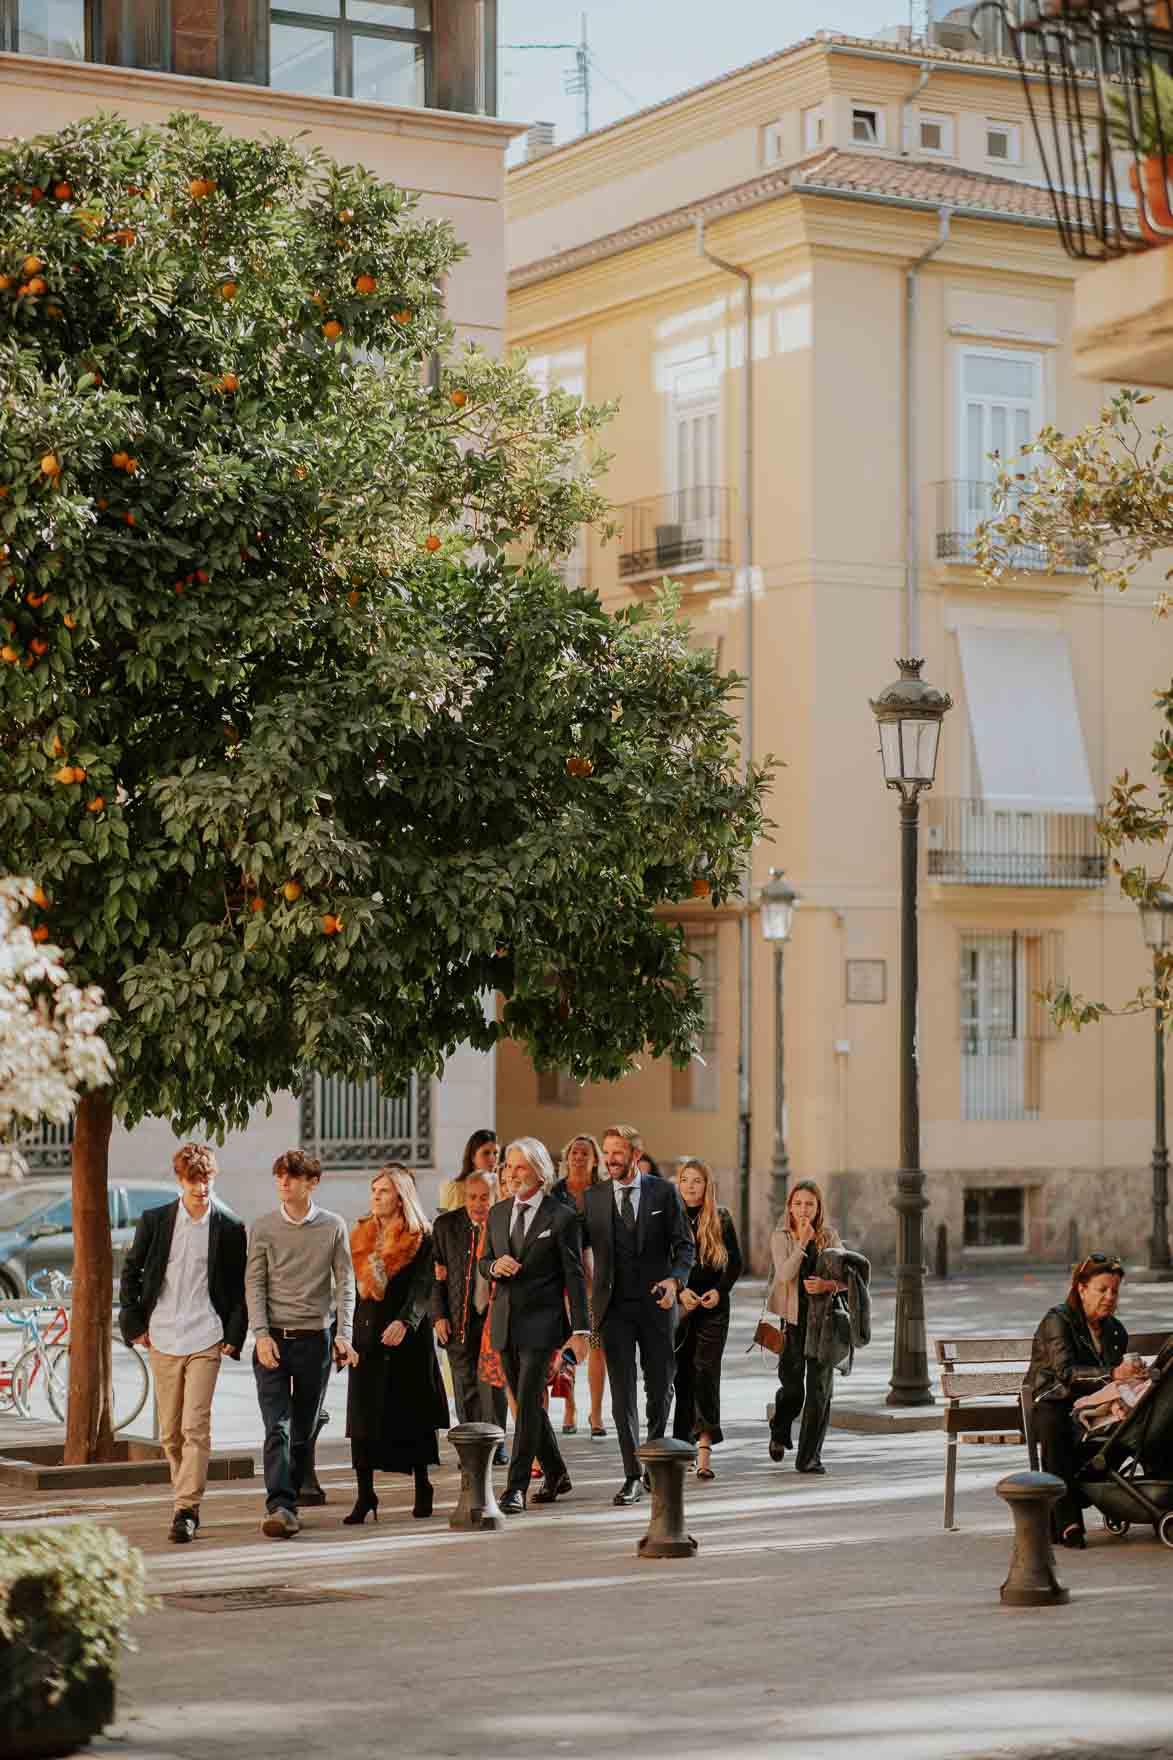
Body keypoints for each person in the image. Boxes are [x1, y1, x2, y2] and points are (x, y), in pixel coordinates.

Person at [118, 1143, 247, 1544]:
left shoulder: (228, 1227)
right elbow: (131, 1273)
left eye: (207, 1179)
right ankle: (184, 1498)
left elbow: (238, 1287)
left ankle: (186, 1507)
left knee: (195, 1425)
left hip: (206, 1336)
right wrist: (135, 1325)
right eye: (194, 1180)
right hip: (164, 1335)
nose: (202, 1187)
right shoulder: (156, 1221)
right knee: (170, 1434)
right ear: (180, 1180)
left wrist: (233, 1333)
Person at [246, 1149, 357, 1539]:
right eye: (279, 1177)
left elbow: (345, 1284)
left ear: (312, 1183)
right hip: (273, 1340)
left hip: (316, 1340)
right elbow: (254, 1283)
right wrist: (260, 1335)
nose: (284, 1184)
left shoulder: (333, 1226)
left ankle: (290, 1497)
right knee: (276, 1426)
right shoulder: (263, 1227)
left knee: (302, 1430)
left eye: (292, 1178)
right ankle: (281, 1504)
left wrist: (345, 1335)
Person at [583, 1126, 695, 1505]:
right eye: (607, 1152)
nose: (611, 1159)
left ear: (635, 1153)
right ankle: (632, 1473)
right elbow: (574, 1249)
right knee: (622, 1394)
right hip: (612, 1308)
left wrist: (675, 1281)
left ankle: (653, 1458)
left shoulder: (663, 1191)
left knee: (660, 1387)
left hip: (657, 1306)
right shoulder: (593, 1198)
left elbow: (684, 1247)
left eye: (618, 1152)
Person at [479, 1137, 590, 1513]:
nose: (511, 1174)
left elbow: (575, 1277)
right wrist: (495, 1267)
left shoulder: (562, 1217)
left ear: (540, 1173)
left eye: (519, 1167)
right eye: (508, 1167)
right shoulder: (496, 1214)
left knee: (526, 1402)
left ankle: (515, 1487)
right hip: (505, 1323)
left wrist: (581, 1331)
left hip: (544, 1326)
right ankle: (558, 1473)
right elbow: (484, 1261)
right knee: (528, 1406)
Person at [345, 1165, 449, 1523]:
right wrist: (343, 1333)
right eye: (374, 1190)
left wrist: (406, 1321)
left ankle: (423, 1485)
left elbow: (425, 1287)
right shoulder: (359, 1235)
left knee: (411, 1413)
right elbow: (348, 1291)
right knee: (363, 1416)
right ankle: (365, 1495)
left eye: (384, 1191)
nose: (376, 1196)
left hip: (408, 1336)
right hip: (366, 1333)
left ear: (401, 1195)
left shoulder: (423, 1237)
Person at [1025, 1252, 1130, 1547]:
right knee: (1055, 1425)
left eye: (1115, 1291)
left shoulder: (1115, 1331)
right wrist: (1114, 1374)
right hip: (1050, 1401)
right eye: (1102, 1290)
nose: (1110, 1297)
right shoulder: (1057, 1320)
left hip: (1092, 1406)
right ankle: (1069, 1521)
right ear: (1081, 1289)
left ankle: (1076, 1495)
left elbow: (1114, 1380)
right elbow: (1066, 1374)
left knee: (1135, 1424)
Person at [766, 1180, 843, 1475]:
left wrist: (827, 1285)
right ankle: (780, 1427)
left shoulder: (830, 1236)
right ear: (789, 1206)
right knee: (794, 1389)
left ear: (819, 1207)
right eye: (798, 1203)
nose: (803, 1209)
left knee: (820, 1391)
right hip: (794, 1324)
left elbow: (848, 1280)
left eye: (809, 1204)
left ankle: (810, 1458)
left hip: (824, 1324)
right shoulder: (781, 1236)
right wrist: (801, 1244)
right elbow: (785, 1274)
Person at [432, 1171, 509, 1463]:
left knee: (493, 1385)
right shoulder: (445, 1226)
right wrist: (438, 1315)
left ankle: (495, 1443)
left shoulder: (503, 1224)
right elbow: (434, 1277)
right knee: (464, 1384)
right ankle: (471, 1445)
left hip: (493, 1316)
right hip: (457, 1315)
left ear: (495, 1196)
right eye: (472, 1197)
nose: (477, 1204)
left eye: (484, 1197)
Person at [672, 1159, 742, 1481]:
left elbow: (735, 1263)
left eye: (696, 1180)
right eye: (685, 1180)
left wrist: (719, 1290)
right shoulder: (671, 1218)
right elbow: (662, 1264)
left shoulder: (721, 1218)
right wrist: (680, 1292)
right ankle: (681, 1446)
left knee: (705, 1372)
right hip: (681, 1308)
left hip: (713, 1308)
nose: (690, 1186)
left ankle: (703, 1451)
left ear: (707, 1185)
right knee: (682, 1377)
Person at [551, 1133, 609, 1437]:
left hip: (596, 1282)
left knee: (598, 1347)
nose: (578, 1157)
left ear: (594, 1159)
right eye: (574, 1152)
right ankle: (570, 1407)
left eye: (585, 1153)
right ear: (567, 1157)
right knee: (567, 1348)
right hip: (561, 1280)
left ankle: (596, 1414)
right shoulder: (555, 1193)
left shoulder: (602, 1193)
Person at [437, 1128, 498, 1214]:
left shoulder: (500, 1189)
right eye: (486, 1153)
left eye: (495, 1153)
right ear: (473, 1157)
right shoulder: (454, 1190)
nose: (492, 1158)